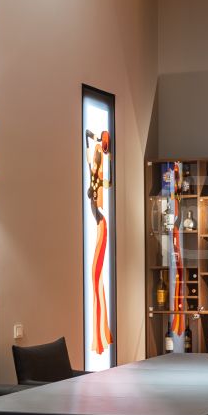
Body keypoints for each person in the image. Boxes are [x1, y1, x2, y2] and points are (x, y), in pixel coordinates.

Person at [86, 129, 113, 356]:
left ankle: (101, 335)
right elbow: (87, 135)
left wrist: (106, 153)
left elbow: (109, 182)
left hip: (101, 225)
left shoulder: (101, 178)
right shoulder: (92, 172)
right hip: (97, 227)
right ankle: (100, 334)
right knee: (96, 280)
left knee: (96, 278)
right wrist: (96, 141)